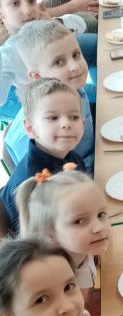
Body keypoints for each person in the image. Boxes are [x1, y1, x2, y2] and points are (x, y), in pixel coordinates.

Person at [4, 19, 95, 173]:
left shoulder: (74, 89)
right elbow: (45, 182)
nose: (74, 66)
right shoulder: (35, 134)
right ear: (37, 76)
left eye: (76, 55)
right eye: (59, 62)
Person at [0, 79, 86, 236]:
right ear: (30, 128)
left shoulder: (72, 158)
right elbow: (42, 240)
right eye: (53, 118)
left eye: (74, 117)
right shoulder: (34, 184)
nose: (66, 123)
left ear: (83, 123)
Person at [17, 170, 109, 290]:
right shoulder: (53, 284)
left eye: (101, 214)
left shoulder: (83, 251)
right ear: (48, 234)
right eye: (79, 221)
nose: (99, 227)